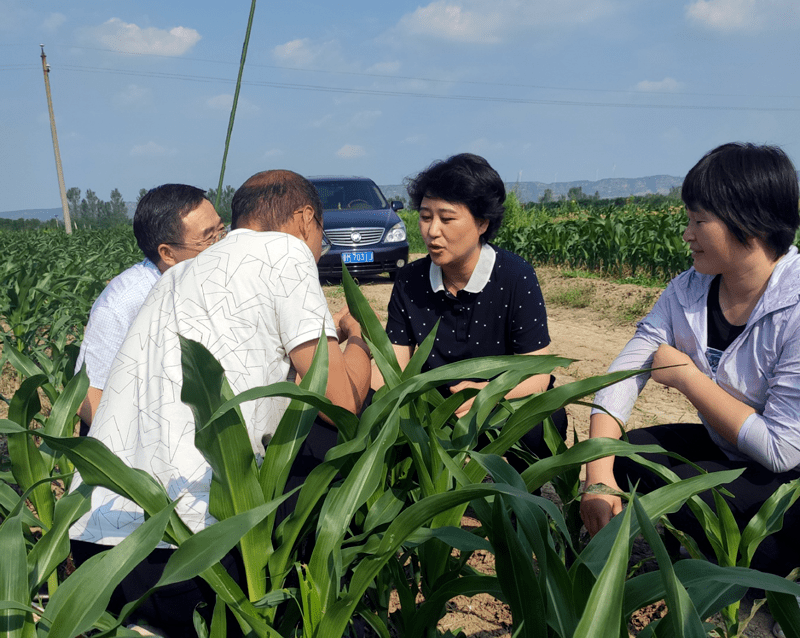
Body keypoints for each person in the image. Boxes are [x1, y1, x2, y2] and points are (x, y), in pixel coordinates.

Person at [69, 170, 371, 634]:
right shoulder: (286, 251)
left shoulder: (175, 275)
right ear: (307, 218)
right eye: (323, 236)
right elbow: (340, 402)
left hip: (96, 553)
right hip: (195, 562)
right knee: (334, 438)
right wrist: (357, 338)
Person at [580, 143, 800, 578]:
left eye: (699, 220)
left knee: (758, 548)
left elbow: (781, 450)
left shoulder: (794, 306)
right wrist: (598, 473)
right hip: (733, 454)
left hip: (789, 480)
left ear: (750, 223)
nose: (687, 233)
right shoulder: (687, 291)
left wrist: (687, 378)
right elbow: (623, 376)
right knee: (627, 457)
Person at [378, 153, 567, 470]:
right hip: (434, 412)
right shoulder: (410, 281)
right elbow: (394, 366)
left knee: (544, 421)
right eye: (425, 217)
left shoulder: (514, 276)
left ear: (482, 222)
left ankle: (521, 506)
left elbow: (537, 372)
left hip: (499, 404)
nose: (432, 231)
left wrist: (488, 395)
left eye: (447, 218)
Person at [75, 184, 224, 430]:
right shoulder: (124, 303)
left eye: (221, 230)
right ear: (167, 254)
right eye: (209, 238)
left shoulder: (214, 281)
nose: (220, 244)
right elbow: (87, 396)